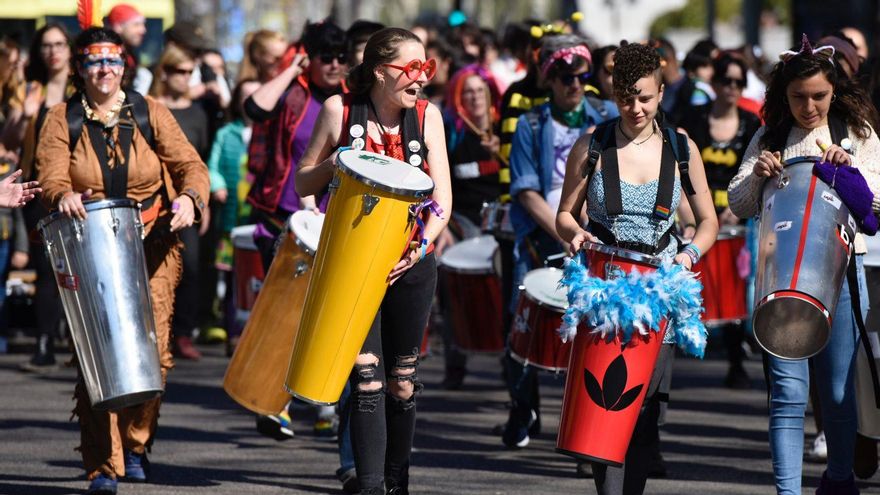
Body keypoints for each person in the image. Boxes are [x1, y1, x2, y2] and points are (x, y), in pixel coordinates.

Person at [35, 27, 208, 495]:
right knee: (97, 357)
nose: (104, 70)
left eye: (112, 61)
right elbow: (49, 172)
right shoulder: (60, 118)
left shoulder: (151, 112)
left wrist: (191, 197)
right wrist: (62, 193)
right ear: (80, 68)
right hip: (89, 246)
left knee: (155, 355)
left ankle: (134, 443)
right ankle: (104, 466)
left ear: (125, 65)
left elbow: (190, 166)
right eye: (94, 62)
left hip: (151, 245)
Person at [555, 40, 718, 494]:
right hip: (605, 290)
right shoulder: (594, 143)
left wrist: (688, 256)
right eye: (625, 97)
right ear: (613, 93)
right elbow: (564, 214)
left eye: (644, 97)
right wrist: (575, 234)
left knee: (646, 413)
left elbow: (707, 222)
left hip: (660, 291)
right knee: (607, 405)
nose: (635, 107)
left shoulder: (682, 148)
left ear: (662, 92)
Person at [295, 27, 452, 495]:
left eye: (427, 68)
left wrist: (421, 248)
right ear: (381, 71)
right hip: (351, 267)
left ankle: (396, 482)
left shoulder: (428, 118)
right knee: (366, 377)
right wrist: (336, 162)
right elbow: (304, 183)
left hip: (412, 266)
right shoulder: (338, 110)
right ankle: (368, 487)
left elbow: (443, 200)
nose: (421, 78)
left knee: (401, 383)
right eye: (412, 68)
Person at [728, 35, 880, 494]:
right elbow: (738, 202)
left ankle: (838, 481)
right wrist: (757, 175)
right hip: (780, 277)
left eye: (818, 96)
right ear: (784, 95)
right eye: (798, 97)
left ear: (834, 91)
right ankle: (787, 491)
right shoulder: (770, 135)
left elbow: (875, 207)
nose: (809, 106)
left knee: (837, 395)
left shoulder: (856, 132)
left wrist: (848, 169)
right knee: (789, 395)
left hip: (841, 278)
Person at [503, 34, 618, 450]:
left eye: (581, 76)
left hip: (597, 238)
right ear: (550, 80)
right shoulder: (531, 124)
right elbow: (526, 191)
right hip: (542, 236)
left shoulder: (604, 117)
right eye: (566, 77)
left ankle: (586, 421)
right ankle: (522, 408)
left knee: (596, 329)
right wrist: (565, 230)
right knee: (521, 328)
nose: (575, 85)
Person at [243, 19, 348, 444]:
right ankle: (275, 403)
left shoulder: (351, 101)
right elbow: (254, 108)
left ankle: (324, 403)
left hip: (335, 220)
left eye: (342, 58)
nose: (335, 65)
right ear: (309, 56)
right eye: (326, 58)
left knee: (327, 315)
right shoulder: (294, 93)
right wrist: (292, 68)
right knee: (285, 314)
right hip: (284, 217)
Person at [679, 53, 761, 389]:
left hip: (737, 217)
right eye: (725, 81)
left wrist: (735, 208)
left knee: (735, 285)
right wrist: (693, 214)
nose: (731, 88)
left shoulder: (751, 123)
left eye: (738, 82)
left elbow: (755, 170)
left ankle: (735, 358)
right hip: (697, 214)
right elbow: (681, 168)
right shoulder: (695, 120)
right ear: (714, 84)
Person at [438, 64, 503, 389]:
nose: (475, 97)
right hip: (462, 220)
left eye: (480, 90)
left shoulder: (506, 130)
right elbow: (439, 180)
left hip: (501, 221)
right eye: (468, 92)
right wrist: (445, 225)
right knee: (452, 284)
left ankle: (509, 363)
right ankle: (455, 363)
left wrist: (501, 153)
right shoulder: (451, 133)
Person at [13, 23, 74, 372]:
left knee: (76, 268)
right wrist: (25, 113)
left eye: (59, 44)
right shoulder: (31, 90)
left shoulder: (82, 91)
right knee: (46, 269)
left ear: (69, 49)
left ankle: (76, 341)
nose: (53, 51)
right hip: (37, 189)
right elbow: (10, 140)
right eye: (46, 45)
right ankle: (44, 340)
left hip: (74, 189)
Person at [150, 44, 211, 361]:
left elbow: (200, 160)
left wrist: (203, 200)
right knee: (153, 269)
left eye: (191, 72)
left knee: (191, 268)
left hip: (186, 200)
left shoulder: (197, 112)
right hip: (153, 200)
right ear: (165, 72)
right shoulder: (150, 108)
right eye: (180, 71)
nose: (186, 78)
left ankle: (184, 334)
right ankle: (155, 333)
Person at [104, 3, 147, 93]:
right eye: (136, 25)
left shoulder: (131, 55)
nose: (143, 30)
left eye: (143, 25)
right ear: (118, 26)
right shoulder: (105, 55)